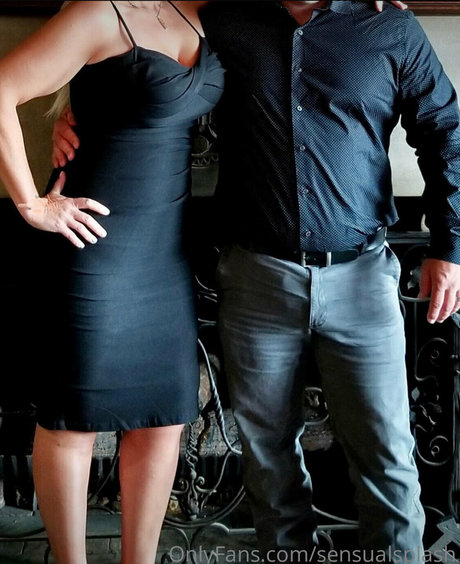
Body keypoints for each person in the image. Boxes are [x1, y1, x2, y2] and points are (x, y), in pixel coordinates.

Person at [52, 0, 460, 562]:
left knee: (386, 462)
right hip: (255, 282)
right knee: (269, 467)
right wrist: (78, 109)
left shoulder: (388, 26)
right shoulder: (221, 19)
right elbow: (137, 54)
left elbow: (446, 131)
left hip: (363, 279)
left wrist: (450, 248)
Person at [0, 2, 224, 563]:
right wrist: (31, 205)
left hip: (165, 255)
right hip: (95, 249)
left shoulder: (200, 9)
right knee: (72, 422)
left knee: (163, 420)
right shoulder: (98, 12)